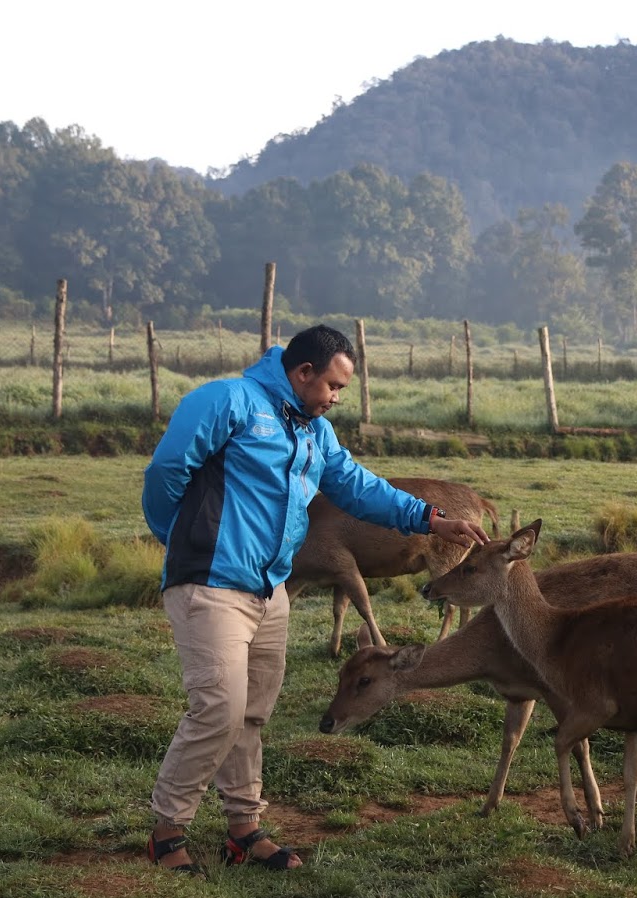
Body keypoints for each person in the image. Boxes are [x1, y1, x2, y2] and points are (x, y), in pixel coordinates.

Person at [140, 324, 489, 874]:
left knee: (251, 715)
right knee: (219, 709)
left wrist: (429, 518)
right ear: (302, 373)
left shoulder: (312, 432)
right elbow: (165, 473)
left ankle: (243, 830)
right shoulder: (226, 401)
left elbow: (356, 486)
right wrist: (181, 539)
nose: (335, 399)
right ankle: (167, 830)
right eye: (332, 386)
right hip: (210, 582)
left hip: (270, 589)